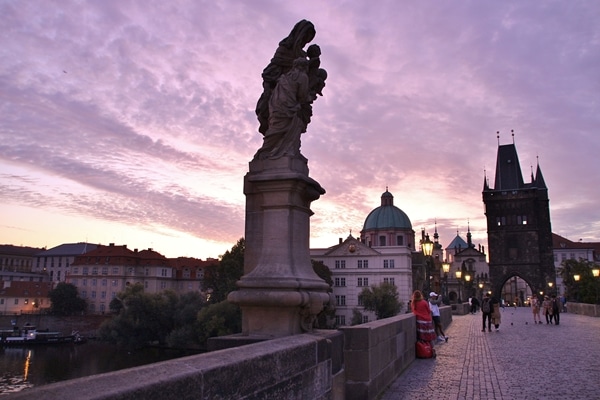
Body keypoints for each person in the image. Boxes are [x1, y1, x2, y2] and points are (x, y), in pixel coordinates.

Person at [254, 57, 310, 160]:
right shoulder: (302, 77)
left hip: (276, 107)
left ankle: (266, 151)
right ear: (305, 66)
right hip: (290, 108)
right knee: (292, 127)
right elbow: (302, 96)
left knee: (275, 129)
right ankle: (287, 152)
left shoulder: (284, 77)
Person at [411, 290, 437, 354]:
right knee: (430, 336)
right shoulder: (424, 302)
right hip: (427, 321)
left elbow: (414, 312)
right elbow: (428, 311)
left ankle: (425, 350)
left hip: (420, 321)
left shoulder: (414, 303)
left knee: (422, 337)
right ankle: (432, 348)